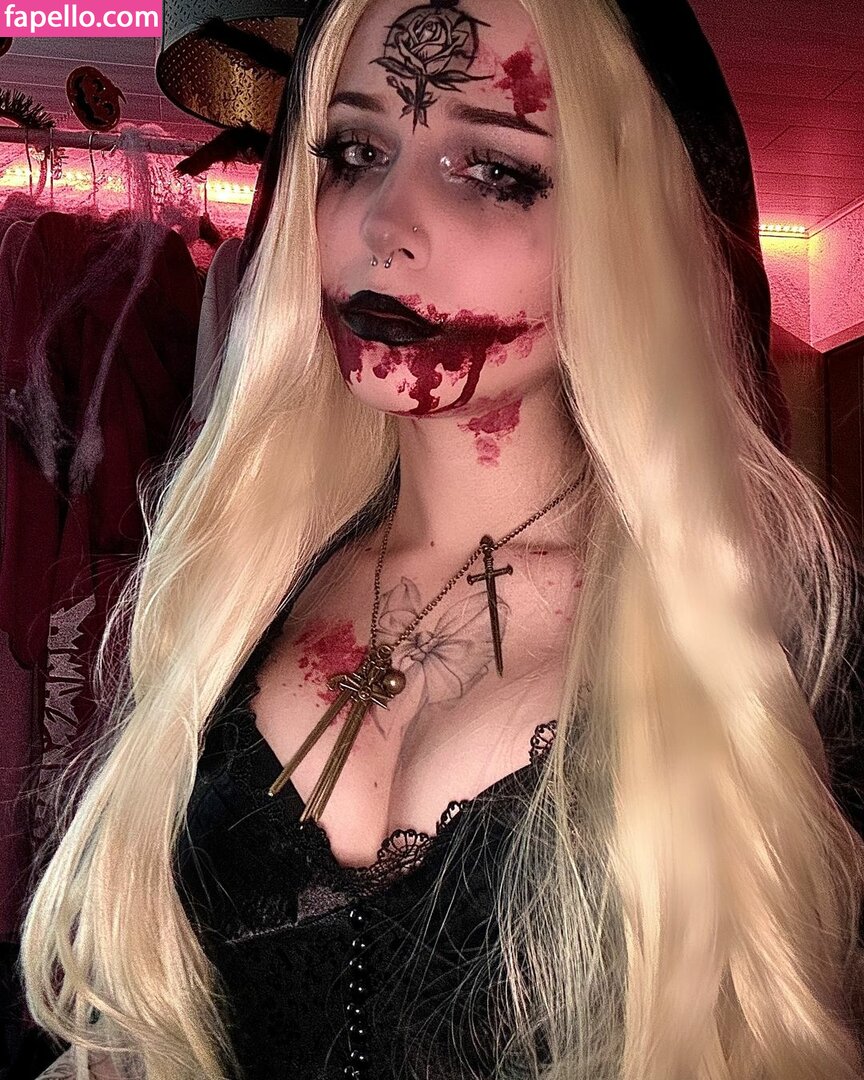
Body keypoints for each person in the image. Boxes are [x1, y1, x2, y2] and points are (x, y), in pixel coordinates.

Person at [19, 0, 864, 1077]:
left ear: (628, 222)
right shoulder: (233, 583)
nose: (384, 224)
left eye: (492, 170)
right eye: (354, 151)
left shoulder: (780, 641)